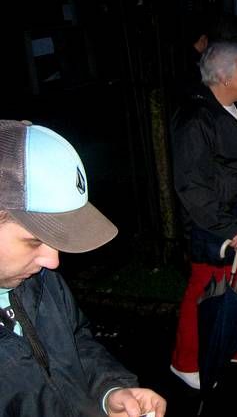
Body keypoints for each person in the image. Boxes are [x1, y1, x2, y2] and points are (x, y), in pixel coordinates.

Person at [0, 120, 167, 417]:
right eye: (34, 239)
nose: (53, 261)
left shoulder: (41, 280)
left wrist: (107, 392)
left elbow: (75, 342)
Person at [170, 41, 237, 390]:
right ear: (223, 77)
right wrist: (228, 228)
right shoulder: (195, 119)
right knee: (205, 293)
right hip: (218, 227)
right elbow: (191, 186)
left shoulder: (232, 104)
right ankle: (184, 361)